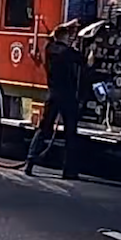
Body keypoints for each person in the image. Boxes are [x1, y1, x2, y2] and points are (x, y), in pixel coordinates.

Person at [24, 23, 86, 180]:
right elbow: (84, 61)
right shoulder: (68, 52)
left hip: (52, 95)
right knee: (70, 133)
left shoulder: (49, 49)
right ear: (64, 38)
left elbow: (55, 36)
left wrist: (67, 27)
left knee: (43, 128)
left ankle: (30, 161)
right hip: (68, 97)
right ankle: (69, 171)